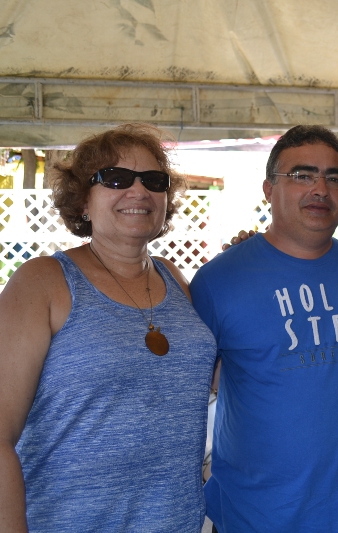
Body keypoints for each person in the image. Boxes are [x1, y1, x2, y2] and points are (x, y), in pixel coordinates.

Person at [0, 124, 217, 532]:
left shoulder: (174, 277)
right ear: (83, 199)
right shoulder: (42, 282)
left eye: (153, 180)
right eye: (116, 178)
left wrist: (245, 272)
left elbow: (220, 377)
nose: (139, 191)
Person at [190, 125, 338, 532]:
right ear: (269, 188)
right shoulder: (218, 281)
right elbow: (190, 393)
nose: (320, 189)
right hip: (257, 515)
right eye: (302, 175)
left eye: (334, 177)